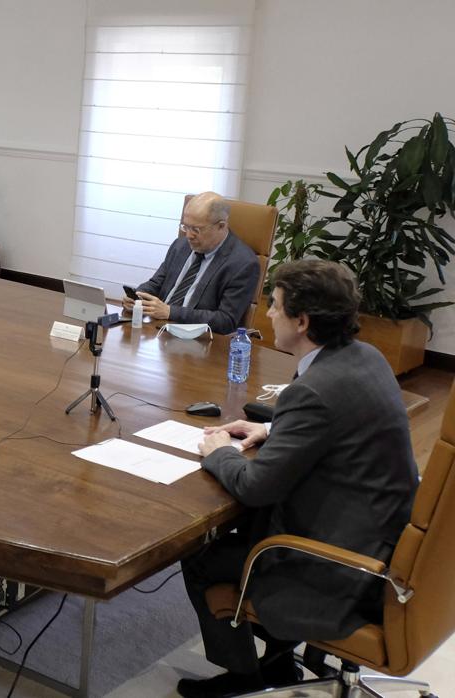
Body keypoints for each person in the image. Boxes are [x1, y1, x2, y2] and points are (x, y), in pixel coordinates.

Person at [179, 259, 418, 698]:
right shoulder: (364, 357)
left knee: (201, 560)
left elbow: (256, 487)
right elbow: (341, 423)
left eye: (275, 305)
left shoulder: (314, 389)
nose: (267, 312)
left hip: (340, 562)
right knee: (251, 527)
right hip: (386, 538)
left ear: (302, 321)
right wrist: (271, 429)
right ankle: (278, 662)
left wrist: (218, 453)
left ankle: (247, 679)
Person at [126, 192, 260, 335]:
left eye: (196, 229)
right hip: (157, 331)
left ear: (221, 226)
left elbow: (225, 320)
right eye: (185, 227)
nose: (189, 235)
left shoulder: (243, 264)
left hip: (198, 341)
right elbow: (156, 283)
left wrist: (171, 312)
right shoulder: (180, 246)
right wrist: (137, 298)